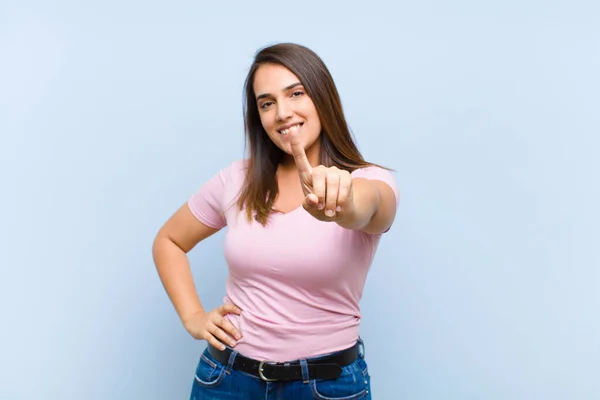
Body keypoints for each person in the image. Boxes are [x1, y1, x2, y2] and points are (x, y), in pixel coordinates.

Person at [152, 42, 399, 400]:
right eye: (267, 103)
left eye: (295, 94)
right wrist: (194, 316)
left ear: (322, 97)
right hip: (226, 380)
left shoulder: (370, 181)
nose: (282, 113)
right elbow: (169, 241)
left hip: (326, 386)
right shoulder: (237, 180)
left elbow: (370, 207)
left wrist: (341, 201)